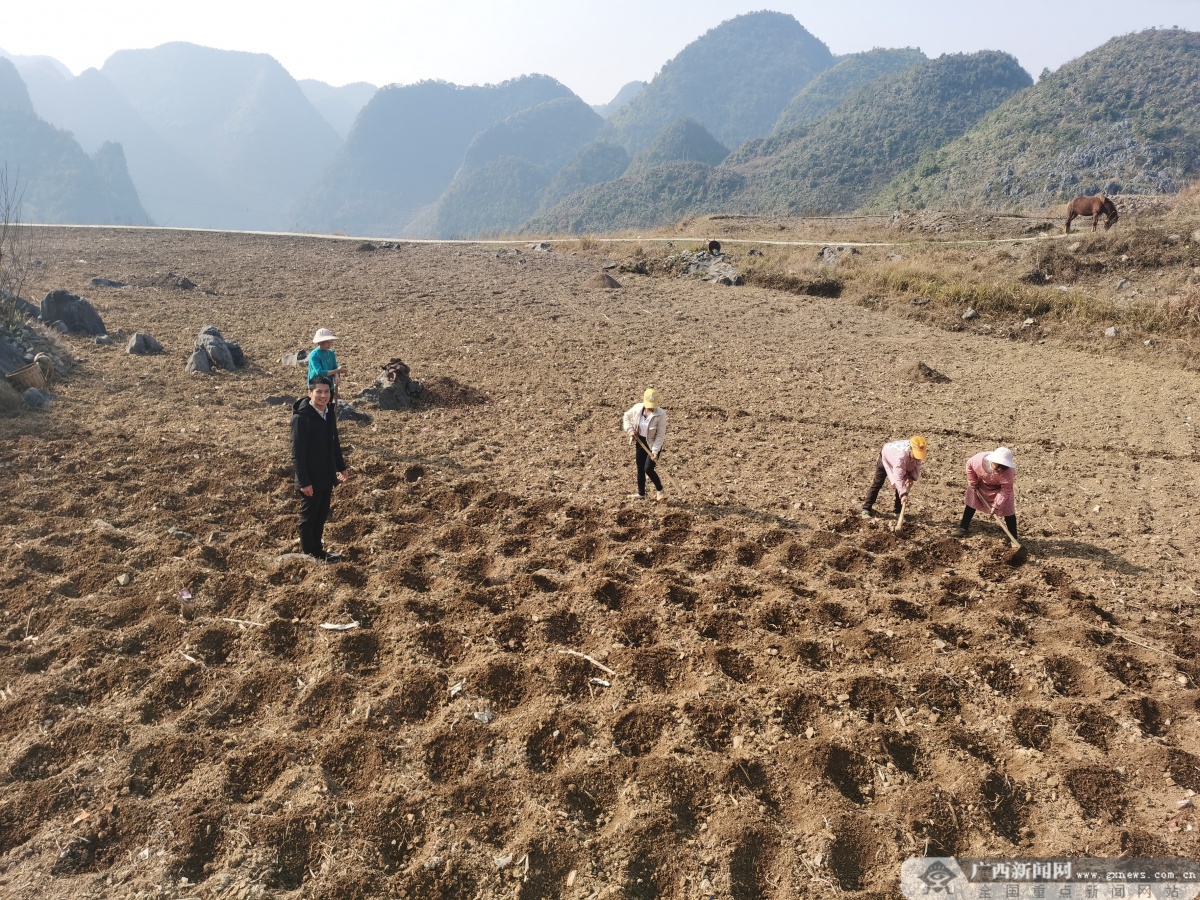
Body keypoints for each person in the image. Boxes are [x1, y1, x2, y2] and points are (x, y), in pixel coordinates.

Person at [291, 375, 350, 560]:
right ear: (310, 393)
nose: (323, 395)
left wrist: (341, 466)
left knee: (322, 514)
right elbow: (297, 453)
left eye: (327, 391)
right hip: (310, 476)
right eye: (319, 392)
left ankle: (318, 551)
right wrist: (304, 481)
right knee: (308, 517)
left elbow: (334, 441)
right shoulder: (301, 418)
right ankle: (309, 554)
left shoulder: (329, 411)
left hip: (326, 473)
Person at [954, 447, 1017, 538]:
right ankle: (963, 527)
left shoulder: (1009, 472)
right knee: (971, 502)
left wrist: (996, 505)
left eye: (1004, 467)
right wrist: (973, 482)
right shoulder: (978, 460)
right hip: (981, 483)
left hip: (1000, 489)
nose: (1000, 469)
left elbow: (1006, 490)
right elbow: (969, 465)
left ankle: (1013, 537)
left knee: (1008, 510)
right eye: (998, 465)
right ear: (992, 461)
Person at [861, 435, 927, 518]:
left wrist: (911, 478)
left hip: (900, 462)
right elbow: (898, 478)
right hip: (885, 457)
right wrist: (903, 494)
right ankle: (866, 509)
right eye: (916, 454)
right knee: (878, 483)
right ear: (911, 449)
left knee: (902, 485)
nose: (918, 457)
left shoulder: (917, 456)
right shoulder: (901, 457)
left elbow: (916, 467)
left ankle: (898, 512)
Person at [622, 388, 667, 501]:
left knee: (648, 469)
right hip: (640, 441)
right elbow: (626, 417)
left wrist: (655, 452)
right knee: (640, 468)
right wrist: (630, 430)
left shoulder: (661, 415)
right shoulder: (638, 408)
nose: (650, 407)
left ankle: (660, 490)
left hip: (652, 443)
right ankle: (641, 493)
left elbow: (660, 436)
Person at [307, 328, 347, 405]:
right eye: (326, 342)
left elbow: (335, 367)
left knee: (327, 409)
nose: (329, 344)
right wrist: (337, 371)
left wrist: (336, 376)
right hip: (317, 387)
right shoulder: (314, 355)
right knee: (316, 408)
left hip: (328, 386)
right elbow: (320, 372)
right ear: (320, 342)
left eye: (330, 342)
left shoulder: (331, 353)